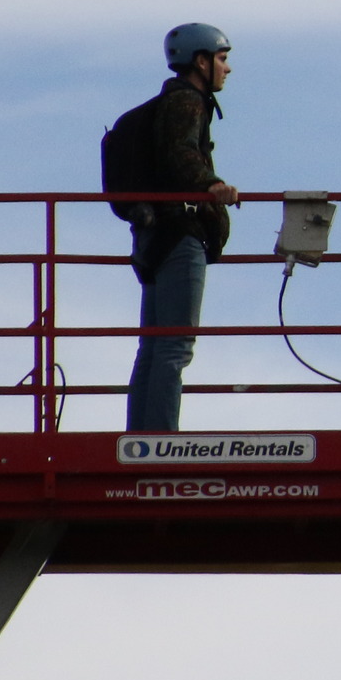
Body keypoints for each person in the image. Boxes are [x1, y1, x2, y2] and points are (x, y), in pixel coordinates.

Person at [124, 24, 238, 432]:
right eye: (222, 59)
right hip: (179, 237)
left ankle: (140, 436)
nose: (227, 69)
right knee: (175, 347)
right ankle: (160, 441)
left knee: (153, 348)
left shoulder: (170, 101)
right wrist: (212, 185)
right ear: (201, 61)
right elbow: (181, 155)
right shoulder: (188, 101)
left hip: (152, 238)